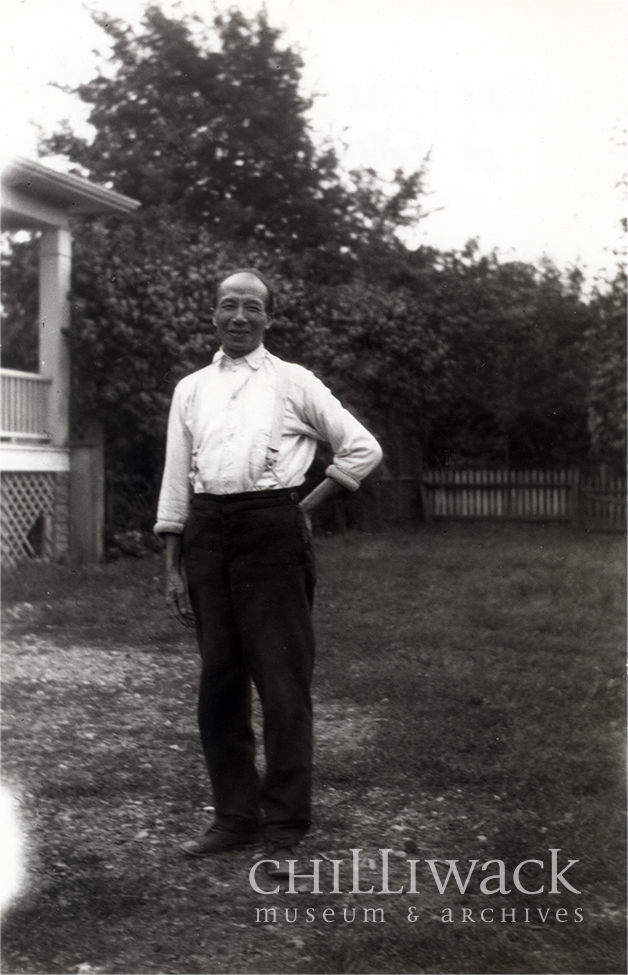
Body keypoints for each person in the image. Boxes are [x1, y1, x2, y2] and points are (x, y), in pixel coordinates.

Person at [154, 268, 382, 877]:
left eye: (251, 307)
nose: (239, 317)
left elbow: (363, 447)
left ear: (267, 318)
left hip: (270, 533)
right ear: (213, 315)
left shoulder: (293, 382)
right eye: (228, 305)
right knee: (219, 684)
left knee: (282, 686)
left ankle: (283, 828)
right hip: (206, 535)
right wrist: (173, 566)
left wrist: (305, 507)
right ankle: (234, 819)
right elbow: (177, 481)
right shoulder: (191, 389)